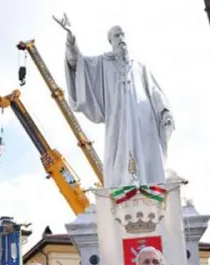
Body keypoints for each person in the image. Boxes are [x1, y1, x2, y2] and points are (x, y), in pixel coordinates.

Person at [58, 16, 174, 189]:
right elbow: (77, 63)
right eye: (117, 36)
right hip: (118, 121)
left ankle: (149, 189)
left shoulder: (139, 65)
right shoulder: (103, 63)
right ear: (110, 41)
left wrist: (164, 110)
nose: (121, 39)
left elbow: (154, 90)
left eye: (122, 35)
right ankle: (125, 188)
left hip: (145, 120)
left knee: (149, 159)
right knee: (120, 161)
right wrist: (71, 37)